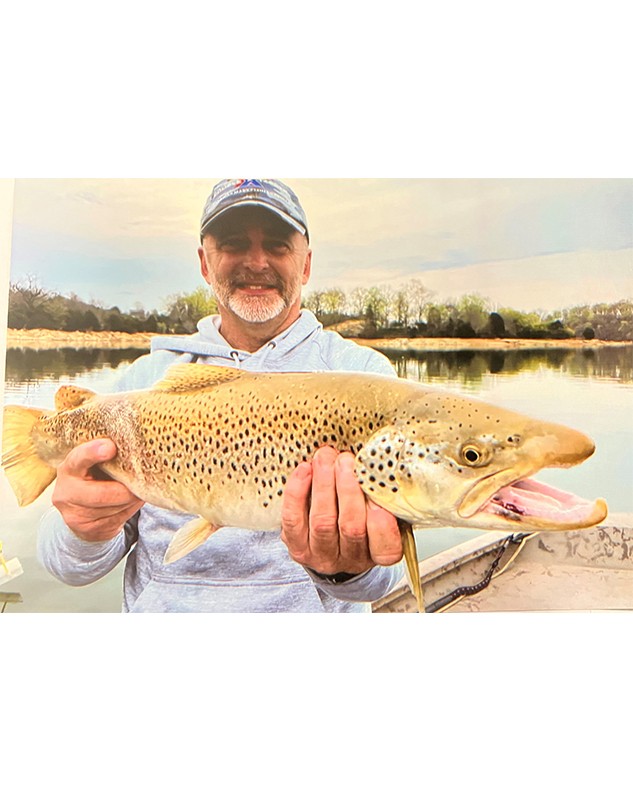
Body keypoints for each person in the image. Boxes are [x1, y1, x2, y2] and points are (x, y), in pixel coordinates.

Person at [37, 179, 405, 612]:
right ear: (205, 264)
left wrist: (346, 566)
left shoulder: (364, 379)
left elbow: (383, 579)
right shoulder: (144, 382)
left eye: (278, 245)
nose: (256, 261)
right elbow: (66, 568)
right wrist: (84, 530)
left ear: (305, 265)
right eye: (233, 244)